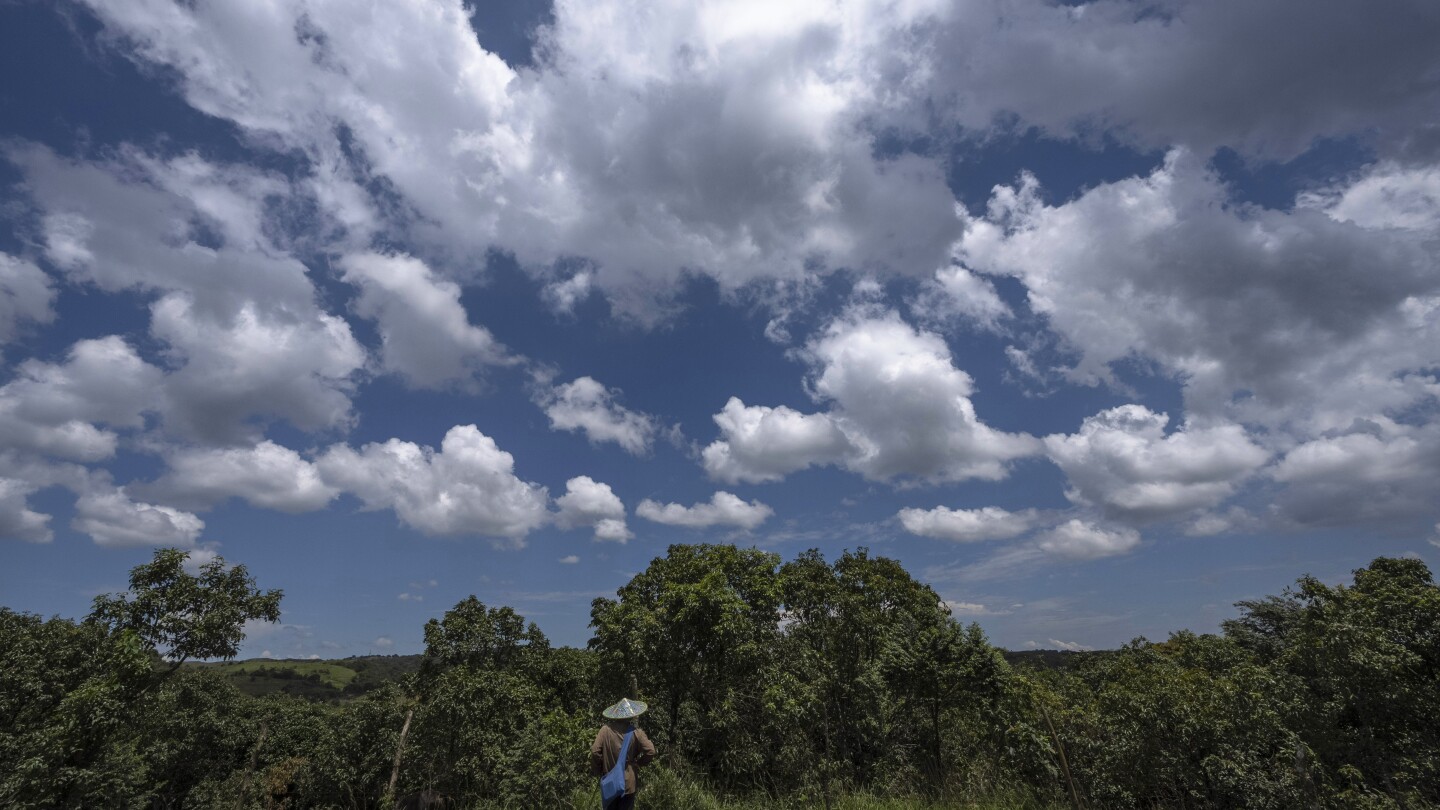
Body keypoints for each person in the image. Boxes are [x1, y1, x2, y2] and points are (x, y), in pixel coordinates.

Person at [589, 698, 657, 810]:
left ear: (615, 714)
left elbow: (595, 751)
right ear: (631, 715)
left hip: (610, 782)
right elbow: (651, 751)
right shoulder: (636, 732)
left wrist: (598, 769)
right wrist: (638, 764)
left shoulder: (605, 730)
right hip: (629, 784)